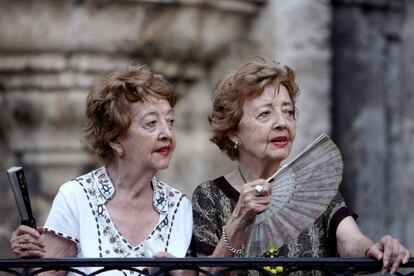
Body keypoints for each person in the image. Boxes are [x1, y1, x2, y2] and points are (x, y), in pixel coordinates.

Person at [192, 59, 410, 275]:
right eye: (265, 113)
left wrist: (373, 250)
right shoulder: (209, 196)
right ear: (233, 130)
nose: (282, 123)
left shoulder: (314, 185)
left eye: (288, 112)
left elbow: (350, 242)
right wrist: (240, 220)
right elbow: (208, 272)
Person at [10, 64, 193, 275]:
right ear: (115, 139)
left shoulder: (180, 207)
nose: (167, 133)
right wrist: (29, 258)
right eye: (151, 123)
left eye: (170, 121)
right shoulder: (76, 197)